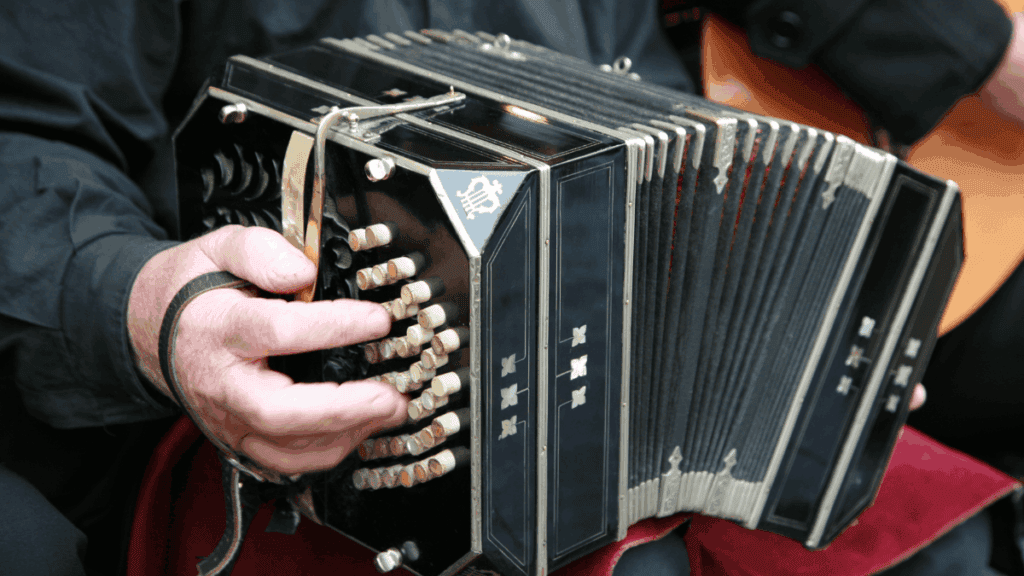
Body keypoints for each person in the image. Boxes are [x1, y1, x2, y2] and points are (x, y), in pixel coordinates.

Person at [0, 0, 1019, 574]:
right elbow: (26, 138)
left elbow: (647, 108)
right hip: (284, 408)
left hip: (616, 378)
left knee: (944, 539)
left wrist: (788, 309)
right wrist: (154, 314)